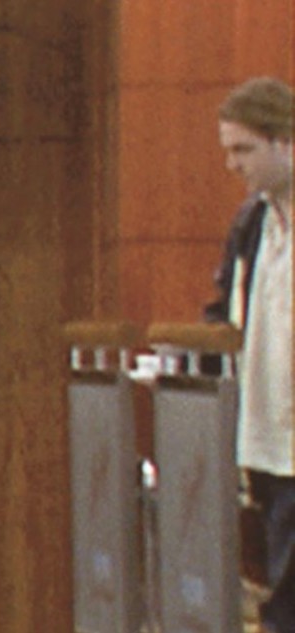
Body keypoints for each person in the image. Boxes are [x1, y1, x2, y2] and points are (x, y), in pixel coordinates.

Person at [204, 76, 295, 631]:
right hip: (267, 441)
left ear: (285, 142)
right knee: (277, 598)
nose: (233, 164)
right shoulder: (253, 222)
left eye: (244, 149)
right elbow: (223, 311)